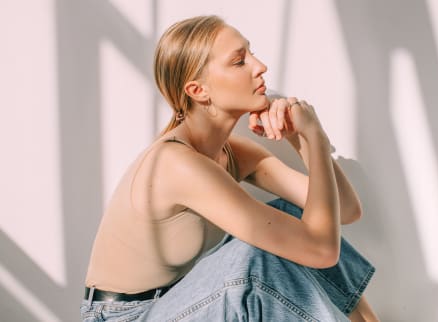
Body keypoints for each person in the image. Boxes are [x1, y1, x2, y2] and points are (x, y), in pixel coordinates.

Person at [81, 15, 379, 321]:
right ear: (198, 91)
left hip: (176, 301)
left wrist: (299, 138)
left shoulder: (231, 153)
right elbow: (320, 250)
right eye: (239, 62)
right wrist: (315, 138)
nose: (260, 65)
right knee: (256, 258)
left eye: (251, 53)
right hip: (123, 316)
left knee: (289, 215)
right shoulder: (176, 164)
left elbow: (345, 210)